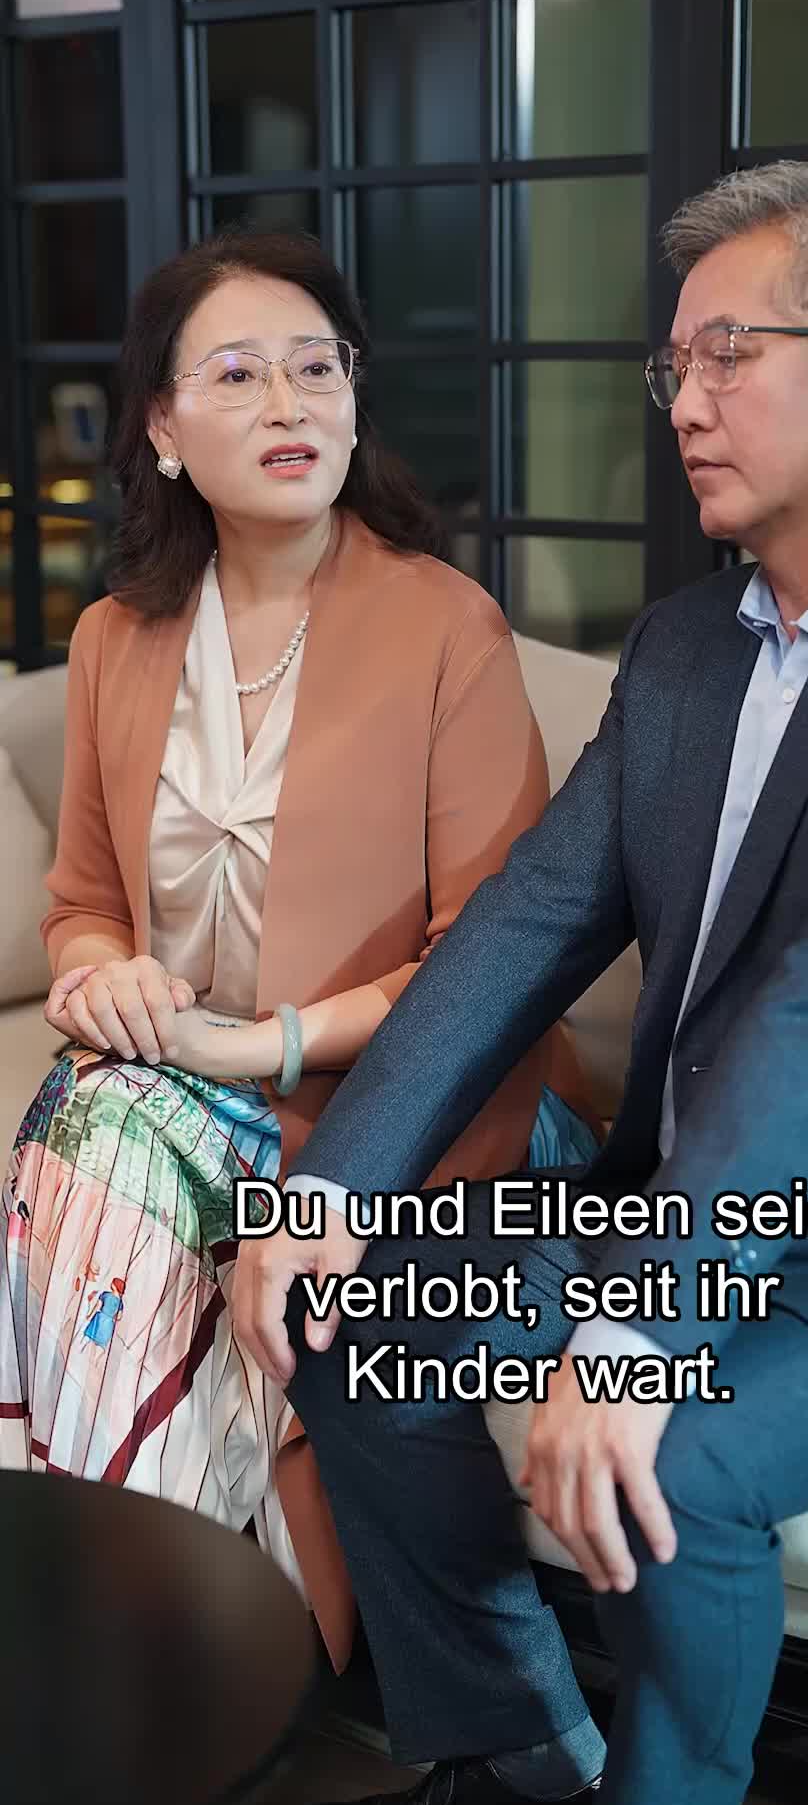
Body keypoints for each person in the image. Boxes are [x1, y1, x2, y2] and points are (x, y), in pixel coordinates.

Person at [234, 165, 808, 1805]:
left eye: (727, 358)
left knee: (675, 1457)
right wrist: (334, 1190)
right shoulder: (689, 650)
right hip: (675, 1203)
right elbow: (526, 924)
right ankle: (516, 1758)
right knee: (353, 1319)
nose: (683, 404)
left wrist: (638, 1331)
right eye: (673, 366)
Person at [0, 227, 599, 1672]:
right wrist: (107, 973)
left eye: (316, 368)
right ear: (160, 426)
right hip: (186, 1094)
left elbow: (494, 965)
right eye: (238, 373)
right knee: (100, 1111)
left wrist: (261, 1042)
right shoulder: (116, 639)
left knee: (94, 1127)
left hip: (417, 1108)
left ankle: (139, 1654)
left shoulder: (444, 626)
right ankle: (159, 1649)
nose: (289, 403)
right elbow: (82, 898)